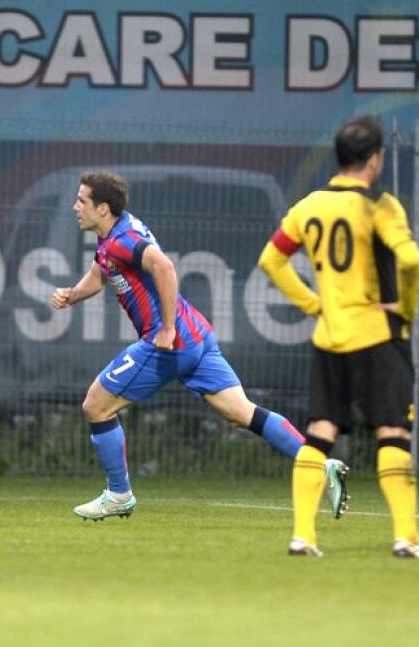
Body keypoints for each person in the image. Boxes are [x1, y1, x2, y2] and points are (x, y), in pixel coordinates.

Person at [50, 170, 347, 521]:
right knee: (241, 412)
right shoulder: (117, 233)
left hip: (169, 344)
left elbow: (164, 267)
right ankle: (318, 464)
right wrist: (73, 294)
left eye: (81, 200)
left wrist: (167, 329)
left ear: (102, 208)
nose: (75, 207)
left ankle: (118, 494)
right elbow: (102, 271)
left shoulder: (122, 240)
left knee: (96, 405)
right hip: (198, 337)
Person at [258, 115, 419, 559]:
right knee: (393, 432)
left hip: (329, 336)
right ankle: (408, 538)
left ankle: (302, 536)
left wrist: (313, 304)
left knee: (319, 432)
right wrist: (405, 308)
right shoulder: (379, 205)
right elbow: (411, 260)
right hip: (377, 335)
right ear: (375, 159)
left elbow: (271, 261)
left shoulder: (307, 207)